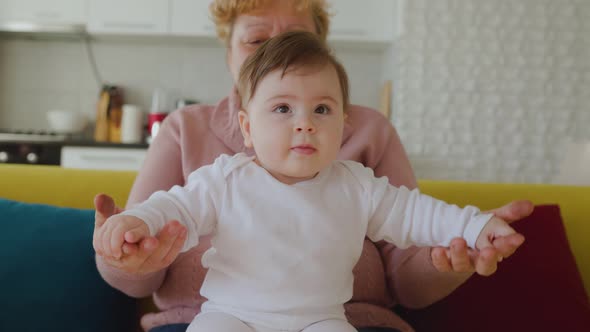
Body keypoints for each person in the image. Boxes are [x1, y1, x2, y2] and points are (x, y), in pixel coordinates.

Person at [93, 1, 533, 331]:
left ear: (344, 123)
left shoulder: (359, 183)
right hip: (229, 316)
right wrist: (132, 225)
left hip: (324, 319)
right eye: (282, 109)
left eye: (321, 110)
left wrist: (474, 229)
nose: (304, 124)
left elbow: (417, 214)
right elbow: (173, 208)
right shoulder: (222, 175)